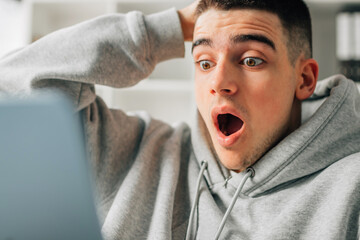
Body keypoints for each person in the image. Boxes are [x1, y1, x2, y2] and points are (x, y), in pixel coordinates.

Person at [0, 0, 359, 239]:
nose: (218, 83)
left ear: (304, 79)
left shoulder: (351, 188)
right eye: (204, 62)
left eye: (250, 60)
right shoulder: (138, 154)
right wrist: (167, 29)